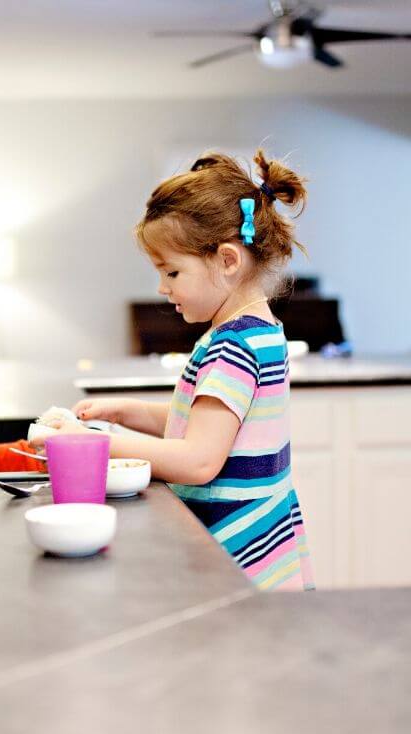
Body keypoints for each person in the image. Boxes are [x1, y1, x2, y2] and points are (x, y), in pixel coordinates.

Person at [33, 149, 314, 591]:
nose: (163, 288)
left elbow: (200, 459)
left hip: (232, 554)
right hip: (262, 542)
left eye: (172, 272)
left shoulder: (233, 346)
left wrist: (91, 443)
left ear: (227, 260)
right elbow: (213, 425)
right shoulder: (261, 331)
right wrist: (129, 411)